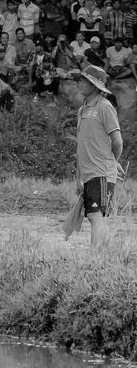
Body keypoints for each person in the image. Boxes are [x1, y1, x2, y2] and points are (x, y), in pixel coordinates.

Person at [74, 64, 124, 247]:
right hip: (88, 174)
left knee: (97, 216)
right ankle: (104, 258)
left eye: (84, 80)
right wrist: (79, 178)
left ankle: (95, 260)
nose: (80, 82)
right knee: (96, 217)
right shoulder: (82, 110)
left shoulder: (104, 106)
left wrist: (113, 161)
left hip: (101, 171)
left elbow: (117, 141)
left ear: (95, 85)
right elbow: (81, 146)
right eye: (80, 79)